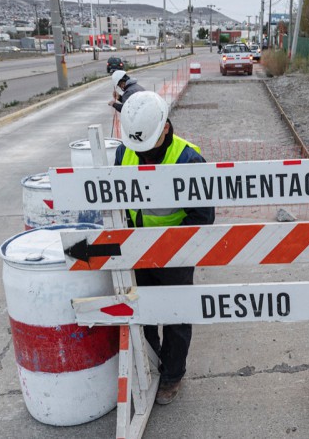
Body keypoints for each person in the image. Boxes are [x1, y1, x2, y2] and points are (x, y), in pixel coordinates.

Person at [114, 91, 215, 405]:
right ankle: (150, 362)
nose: (142, 154)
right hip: (136, 250)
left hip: (175, 253)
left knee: (176, 315)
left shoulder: (188, 160)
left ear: (166, 128)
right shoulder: (124, 151)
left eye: (147, 146)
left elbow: (202, 218)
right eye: (137, 147)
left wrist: (167, 246)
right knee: (140, 310)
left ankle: (172, 375)